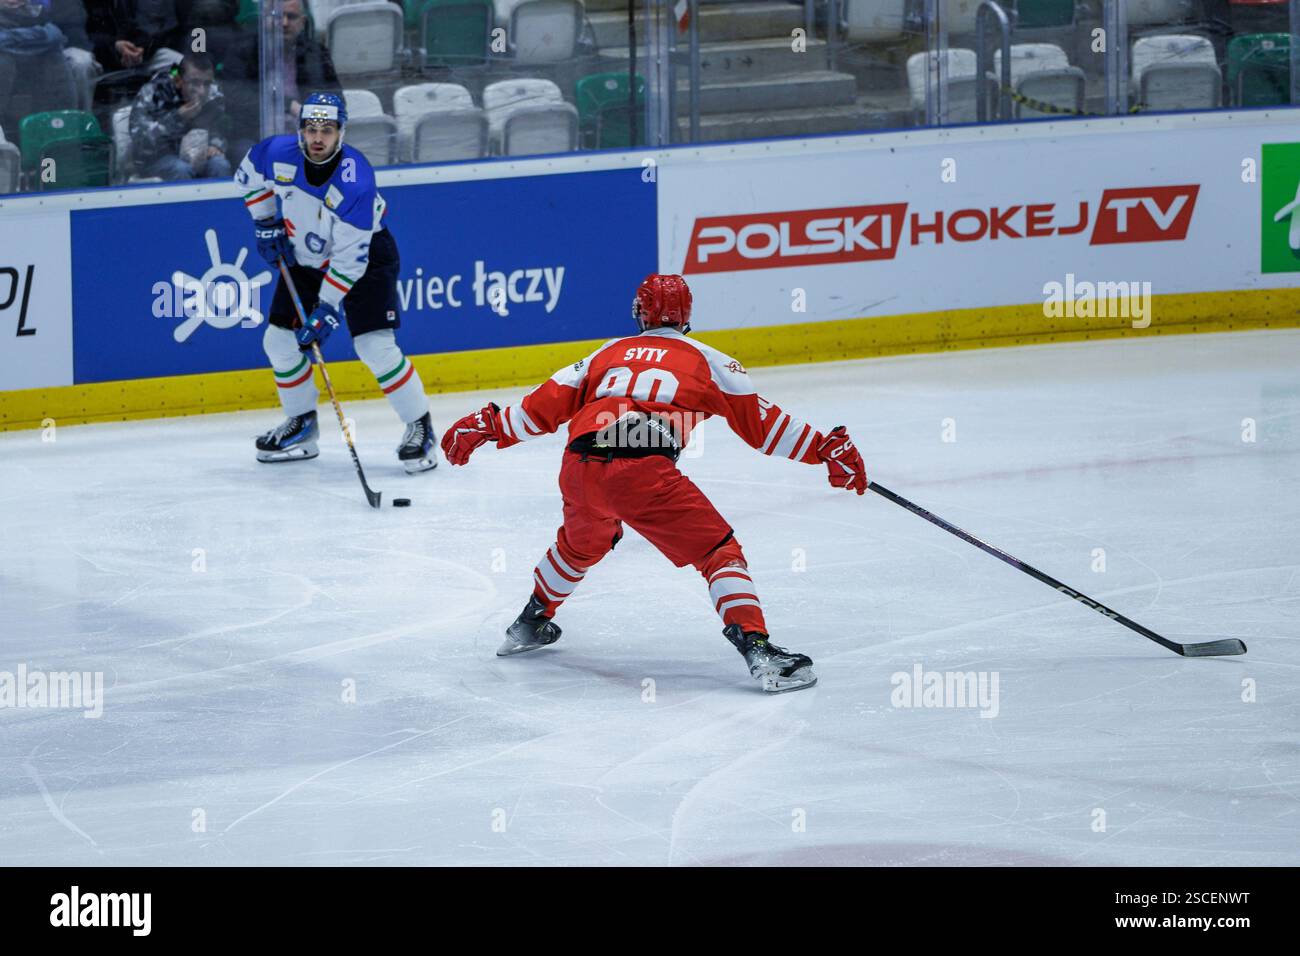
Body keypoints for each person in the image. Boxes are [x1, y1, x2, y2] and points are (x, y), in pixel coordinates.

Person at [440, 274, 868, 693]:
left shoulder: (608, 352)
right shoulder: (710, 360)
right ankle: (759, 650)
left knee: (580, 545)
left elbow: (541, 408)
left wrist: (490, 426)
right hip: (641, 468)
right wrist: (825, 449)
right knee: (718, 552)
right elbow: (766, 426)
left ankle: (530, 622)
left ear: (639, 314)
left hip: (578, 467)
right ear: (687, 316)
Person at [235, 91, 438, 472]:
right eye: (311, 129)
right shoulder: (276, 153)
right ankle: (302, 425)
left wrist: (327, 308)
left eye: (327, 130)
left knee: (374, 346)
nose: (317, 137)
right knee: (279, 341)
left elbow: (349, 259)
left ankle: (421, 428)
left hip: (366, 259)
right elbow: (247, 175)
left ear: (341, 133)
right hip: (305, 256)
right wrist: (265, 222)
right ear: (300, 131)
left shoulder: (355, 181)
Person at [221, 0, 339, 162]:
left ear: (302, 22)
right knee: (246, 154)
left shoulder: (316, 53)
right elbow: (234, 98)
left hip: (306, 136)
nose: (284, 23)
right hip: (253, 136)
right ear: (264, 18)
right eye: (277, 16)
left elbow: (337, 101)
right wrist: (288, 105)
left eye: (291, 17)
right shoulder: (242, 50)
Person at [128, 50, 230, 180]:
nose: (202, 91)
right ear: (178, 80)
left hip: (200, 154)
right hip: (158, 158)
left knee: (220, 165)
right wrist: (177, 118)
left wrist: (215, 146)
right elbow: (140, 140)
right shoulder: (153, 92)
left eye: (206, 84)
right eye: (194, 83)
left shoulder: (214, 94)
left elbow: (221, 129)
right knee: (181, 169)